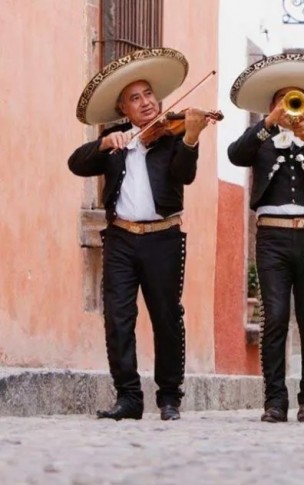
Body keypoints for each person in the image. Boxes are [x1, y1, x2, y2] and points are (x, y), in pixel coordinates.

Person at [68, 47, 214, 421]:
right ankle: (129, 398)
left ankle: (169, 398)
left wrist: (192, 138)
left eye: (149, 94)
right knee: (118, 319)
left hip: (162, 239)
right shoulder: (115, 140)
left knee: (167, 317)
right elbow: (76, 163)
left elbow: (185, 175)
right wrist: (103, 142)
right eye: (136, 98)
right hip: (119, 239)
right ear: (123, 109)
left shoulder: (171, 138)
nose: (147, 102)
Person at [227, 53, 304, 423]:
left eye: (295, 100)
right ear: (271, 106)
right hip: (272, 239)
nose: (290, 107)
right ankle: (274, 400)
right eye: (282, 101)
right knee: (275, 317)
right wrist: (268, 124)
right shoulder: (260, 139)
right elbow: (236, 155)